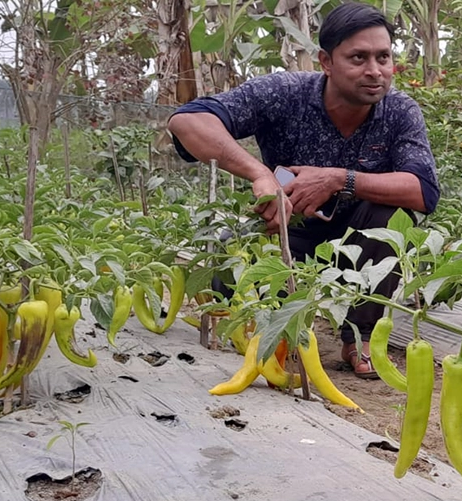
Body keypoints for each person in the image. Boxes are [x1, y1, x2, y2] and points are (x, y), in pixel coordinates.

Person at [166, 1, 440, 380]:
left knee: (393, 219)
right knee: (229, 260)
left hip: (359, 244)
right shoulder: (285, 93)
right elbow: (187, 121)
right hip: (286, 231)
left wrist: (337, 178)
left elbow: (424, 190)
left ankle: (358, 337)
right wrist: (259, 174)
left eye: (383, 57)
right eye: (358, 58)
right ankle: (269, 327)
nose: (375, 71)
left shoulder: (399, 111)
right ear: (326, 62)